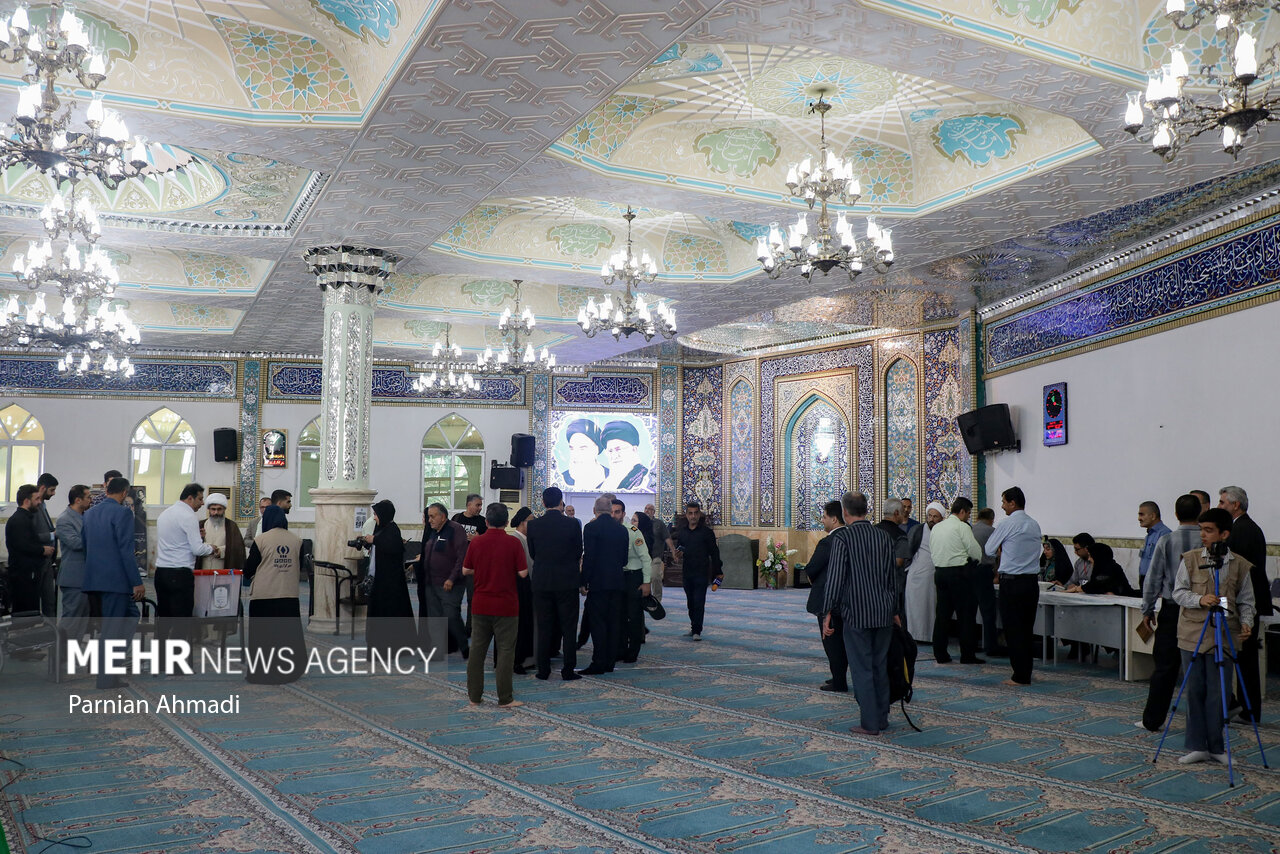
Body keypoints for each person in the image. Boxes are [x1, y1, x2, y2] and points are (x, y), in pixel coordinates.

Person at [1172, 508, 1256, 764]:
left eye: (1209, 531)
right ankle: (1196, 745)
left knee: (1219, 693)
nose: (1203, 535)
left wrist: (1247, 622)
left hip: (1225, 635)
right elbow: (1178, 593)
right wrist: (1200, 599)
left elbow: (1247, 601)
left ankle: (1217, 747)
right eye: (1202, 530)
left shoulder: (1239, 564)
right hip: (1193, 634)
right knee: (1195, 691)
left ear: (1225, 534)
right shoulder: (1190, 559)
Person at [820, 491, 898, 736]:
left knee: (862, 668)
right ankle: (882, 718)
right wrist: (895, 610)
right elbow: (892, 577)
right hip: (884, 612)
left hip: (857, 614)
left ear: (844, 512)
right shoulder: (883, 536)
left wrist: (827, 611)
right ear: (867, 509)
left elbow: (835, 578)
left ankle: (869, 723)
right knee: (880, 666)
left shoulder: (843, 538)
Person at [1139, 493, 1202, 732]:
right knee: (1201, 666)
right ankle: (1203, 724)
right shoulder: (1207, 539)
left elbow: (1153, 578)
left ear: (1175, 514)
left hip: (1172, 609)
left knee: (1164, 667)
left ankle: (1153, 720)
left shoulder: (1166, 540)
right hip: (1201, 610)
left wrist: (1147, 609)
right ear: (1199, 513)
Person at [462, 502, 529, 706]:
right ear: (507, 522)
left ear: (486, 521)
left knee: (477, 652)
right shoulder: (513, 543)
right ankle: (505, 698)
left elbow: (465, 570)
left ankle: (474, 697)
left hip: (480, 605)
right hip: (506, 606)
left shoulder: (476, 542)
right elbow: (523, 573)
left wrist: (483, 569)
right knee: (506, 652)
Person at [81, 477, 144, 689]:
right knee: (113, 628)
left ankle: (110, 668)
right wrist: (136, 582)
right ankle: (107, 677)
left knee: (128, 617)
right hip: (116, 580)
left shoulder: (89, 513)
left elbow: (85, 545)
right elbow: (126, 549)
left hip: (95, 578)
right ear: (124, 492)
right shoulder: (123, 513)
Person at [1217, 486, 1271, 724]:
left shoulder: (1241, 530)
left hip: (1244, 604)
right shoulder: (1246, 527)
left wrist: (1224, 604)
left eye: (1222, 502)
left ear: (1235, 505)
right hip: (1246, 602)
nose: (1219, 506)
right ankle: (1246, 710)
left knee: (1245, 659)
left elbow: (1236, 574)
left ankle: (1248, 711)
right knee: (1244, 658)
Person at [985, 486, 1043, 686]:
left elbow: (989, 549)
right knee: (1026, 629)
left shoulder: (1007, 523)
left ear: (1012, 503)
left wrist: (1003, 549)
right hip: (1031, 583)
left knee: (1013, 629)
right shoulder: (1034, 524)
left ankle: (1020, 675)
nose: (1002, 506)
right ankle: (1025, 671)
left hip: (1012, 582)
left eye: (1004, 502)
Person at [243, 505, 306, 684]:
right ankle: (288, 670)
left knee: (264, 637)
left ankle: (263, 672)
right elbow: (300, 566)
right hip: (289, 595)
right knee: (286, 636)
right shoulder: (297, 540)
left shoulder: (261, 540)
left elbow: (249, 569)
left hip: (265, 596)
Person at [526, 487, 584, 681]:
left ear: (543, 503)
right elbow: (578, 552)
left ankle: (543, 670)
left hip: (542, 581)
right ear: (561, 502)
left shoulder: (533, 525)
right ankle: (568, 670)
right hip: (567, 582)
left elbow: (533, 553)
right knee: (568, 628)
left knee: (544, 627)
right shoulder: (573, 524)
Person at [155, 483, 217, 646]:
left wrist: (197, 535)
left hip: (161, 573)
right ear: (190, 498)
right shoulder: (188, 516)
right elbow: (197, 549)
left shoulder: (165, 514)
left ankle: (160, 657)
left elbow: (177, 540)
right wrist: (212, 548)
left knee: (164, 619)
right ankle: (177, 659)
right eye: (200, 499)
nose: (202, 503)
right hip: (180, 574)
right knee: (181, 621)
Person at [929, 497, 984, 663]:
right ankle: (967, 655)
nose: (968, 517)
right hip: (959, 574)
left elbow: (932, 549)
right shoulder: (962, 527)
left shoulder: (937, 527)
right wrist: (976, 560)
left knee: (942, 616)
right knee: (965, 616)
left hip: (940, 573)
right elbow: (974, 550)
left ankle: (940, 654)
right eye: (968, 513)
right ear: (962, 511)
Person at [578, 495, 628, 674]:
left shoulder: (591, 528)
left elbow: (589, 558)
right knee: (614, 623)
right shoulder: (621, 529)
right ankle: (609, 662)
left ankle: (598, 662)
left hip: (598, 583)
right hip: (617, 582)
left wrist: (584, 581)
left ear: (594, 510)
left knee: (598, 623)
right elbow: (624, 560)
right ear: (610, 510)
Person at [413, 502, 469, 661]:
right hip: (431, 583)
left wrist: (452, 578)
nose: (429, 520)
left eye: (432, 516)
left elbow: (461, 557)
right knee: (435, 619)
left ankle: (464, 647)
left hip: (450, 585)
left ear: (443, 516)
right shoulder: (433, 532)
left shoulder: (455, 530)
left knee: (451, 616)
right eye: (428, 517)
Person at [805, 500, 848, 692]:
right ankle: (838, 676)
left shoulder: (828, 542)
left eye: (824, 517)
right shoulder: (851, 537)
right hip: (848, 598)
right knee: (842, 641)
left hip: (828, 599)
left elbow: (812, 568)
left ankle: (839, 680)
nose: (822, 521)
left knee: (831, 641)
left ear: (834, 519)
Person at [363, 500, 415, 655]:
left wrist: (375, 540)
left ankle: (392, 648)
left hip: (389, 583)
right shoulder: (383, 529)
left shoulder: (392, 529)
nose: (375, 518)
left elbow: (392, 547)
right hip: (380, 580)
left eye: (376, 514)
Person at [671, 500, 722, 641]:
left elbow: (714, 553)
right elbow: (680, 549)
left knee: (699, 601)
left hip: (701, 572)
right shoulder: (682, 533)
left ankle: (697, 630)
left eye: (695, 513)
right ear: (686, 515)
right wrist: (678, 555)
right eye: (690, 513)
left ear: (699, 514)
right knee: (690, 603)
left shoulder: (707, 533)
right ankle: (694, 626)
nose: (693, 516)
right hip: (687, 572)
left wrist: (718, 571)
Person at [4, 484, 52, 615]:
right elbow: (23, 545)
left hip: (29, 574)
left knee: (31, 611)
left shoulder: (26, 518)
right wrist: (42, 550)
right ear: (26, 501)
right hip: (23, 576)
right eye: (36, 499)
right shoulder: (19, 520)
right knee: (24, 613)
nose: (39, 502)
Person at [902, 501, 944, 645]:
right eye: (930, 516)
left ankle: (929, 636)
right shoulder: (917, 529)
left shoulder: (943, 531)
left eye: (935, 517)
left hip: (933, 575)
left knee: (930, 607)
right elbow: (909, 549)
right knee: (914, 607)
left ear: (941, 518)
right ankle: (913, 635)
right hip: (916, 574)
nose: (931, 519)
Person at [616, 502, 653, 663]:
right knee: (619, 616)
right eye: (611, 512)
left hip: (633, 577)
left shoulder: (633, 531)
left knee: (634, 616)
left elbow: (646, 558)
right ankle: (620, 650)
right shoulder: (609, 531)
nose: (614, 515)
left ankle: (633, 651)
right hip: (617, 578)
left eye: (617, 512)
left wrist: (647, 582)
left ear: (623, 514)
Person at [55, 484, 93, 642]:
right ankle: (61, 652)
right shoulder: (64, 520)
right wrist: (99, 538)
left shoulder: (86, 516)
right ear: (78, 500)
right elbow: (75, 543)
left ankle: (73, 650)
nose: (91, 500)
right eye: (88, 497)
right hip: (73, 578)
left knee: (82, 619)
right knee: (71, 619)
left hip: (86, 578)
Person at [972, 508, 1003, 656]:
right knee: (988, 611)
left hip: (968, 571)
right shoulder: (992, 531)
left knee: (970, 611)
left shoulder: (970, 529)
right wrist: (996, 573)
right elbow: (998, 554)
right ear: (991, 519)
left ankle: (971, 644)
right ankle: (991, 646)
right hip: (984, 572)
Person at [508, 507, 536, 674]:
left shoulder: (526, 539)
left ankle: (527, 658)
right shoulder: (516, 539)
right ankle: (518, 660)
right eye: (530, 520)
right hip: (520, 590)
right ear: (522, 522)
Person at [198, 493, 246, 571]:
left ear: (224, 509)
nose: (216, 512)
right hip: (203, 569)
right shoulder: (201, 525)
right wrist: (208, 547)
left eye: (219, 509)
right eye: (213, 509)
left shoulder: (231, 526)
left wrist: (221, 551)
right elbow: (193, 544)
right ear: (209, 510)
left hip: (223, 569)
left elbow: (238, 548)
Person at [34, 473, 59, 618]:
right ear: (42, 488)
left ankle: (51, 630)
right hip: (37, 561)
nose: (54, 493)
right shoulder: (34, 508)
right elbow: (30, 537)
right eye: (52, 490)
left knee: (49, 601)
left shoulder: (43, 506)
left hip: (48, 562)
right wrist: (52, 535)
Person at [560, 419, 608, 490]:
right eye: (572, 448)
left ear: (596, 449)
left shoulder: (612, 477)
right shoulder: (562, 478)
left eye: (582, 448)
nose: (575, 454)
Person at [601, 420, 649, 490]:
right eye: (610, 451)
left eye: (619, 449)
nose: (614, 456)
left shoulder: (644, 478)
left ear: (634, 449)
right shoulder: (607, 482)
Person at [1137, 501, 1172, 588]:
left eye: (1142, 515)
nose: (1139, 518)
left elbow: (1167, 563)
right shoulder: (1149, 535)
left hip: (1156, 583)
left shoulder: (1165, 534)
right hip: (1145, 580)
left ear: (1153, 516)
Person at [644, 503, 673, 602]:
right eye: (646, 508)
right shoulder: (640, 523)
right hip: (642, 557)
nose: (647, 510)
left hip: (655, 556)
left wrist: (673, 551)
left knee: (655, 577)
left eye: (649, 509)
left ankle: (657, 601)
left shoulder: (659, 524)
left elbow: (667, 538)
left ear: (654, 512)